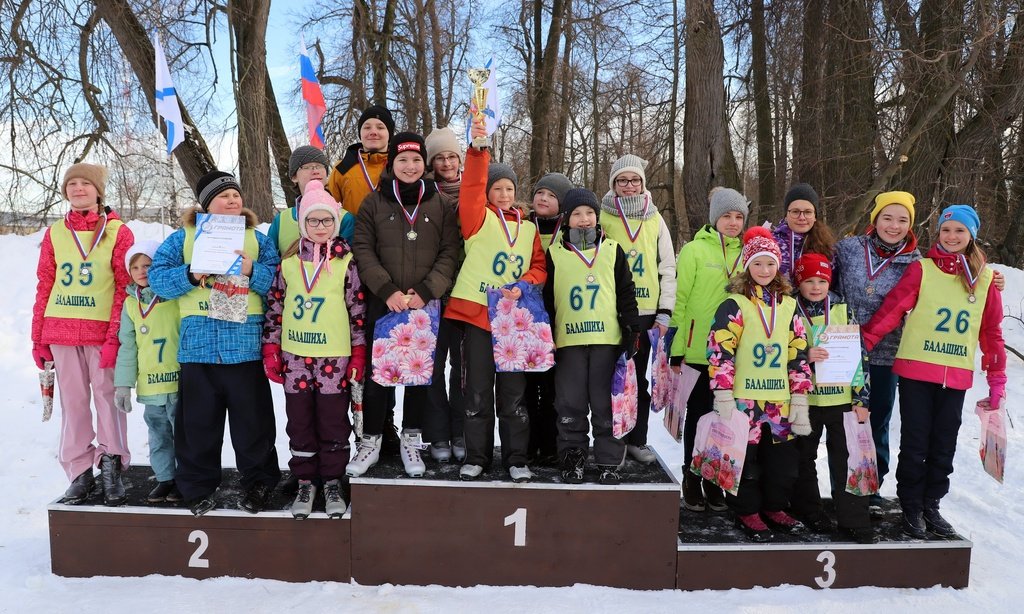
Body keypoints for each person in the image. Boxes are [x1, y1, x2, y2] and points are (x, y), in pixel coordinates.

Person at [861, 205, 1005, 539]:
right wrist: (863, 343)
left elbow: (992, 333)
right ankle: (911, 505)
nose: (951, 237)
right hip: (916, 372)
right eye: (946, 230)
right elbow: (893, 310)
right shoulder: (922, 269)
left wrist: (997, 379)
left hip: (955, 376)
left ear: (971, 236)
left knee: (943, 445)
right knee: (915, 444)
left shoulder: (985, 280)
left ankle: (931, 504)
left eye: (959, 231)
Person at [148, 170, 281, 517]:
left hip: (245, 347)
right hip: (199, 348)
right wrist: (190, 274)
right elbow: (157, 280)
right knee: (198, 426)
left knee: (253, 425)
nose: (232, 200)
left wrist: (253, 271)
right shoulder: (183, 239)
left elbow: (279, 283)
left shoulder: (258, 240)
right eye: (224, 196)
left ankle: (259, 482)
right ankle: (196, 486)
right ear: (206, 204)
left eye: (236, 195)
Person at [349, 132, 461, 478]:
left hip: (424, 304)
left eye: (415, 160)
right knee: (378, 376)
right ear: (392, 163)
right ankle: (371, 441)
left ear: (424, 164)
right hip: (385, 303)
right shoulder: (374, 202)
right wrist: (387, 290)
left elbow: (450, 251)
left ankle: (411, 439)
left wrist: (427, 290)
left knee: (417, 374)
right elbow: (363, 249)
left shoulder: (439, 203)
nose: (410, 166)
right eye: (402, 160)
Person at [446, 119, 547, 482]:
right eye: (497, 188)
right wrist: (478, 152)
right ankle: (477, 456)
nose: (504, 194)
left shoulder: (529, 228)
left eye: (509, 188)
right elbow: (471, 187)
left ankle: (516, 458)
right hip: (478, 317)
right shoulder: (477, 219)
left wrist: (524, 284)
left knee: (513, 394)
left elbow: (539, 267)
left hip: (512, 321)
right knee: (476, 392)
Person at [32, 163, 135, 506]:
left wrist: (116, 335)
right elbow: (45, 284)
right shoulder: (55, 233)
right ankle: (79, 472)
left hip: (102, 333)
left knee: (108, 398)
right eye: (72, 183)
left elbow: (124, 287)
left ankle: (111, 464)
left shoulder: (118, 232)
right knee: (73, 403)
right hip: (61, 331)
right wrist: (38, 338)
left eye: (85, 184)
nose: (78, 188)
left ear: (98, 191)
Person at [262, 180, 366, 519]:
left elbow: (357, 311)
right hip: (295, 358)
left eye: (326, 220)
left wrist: (359, 352)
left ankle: (333, 480)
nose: (320, 226)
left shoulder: (347, 263)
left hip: (334, 358)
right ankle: (306, 481)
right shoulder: (289, 263)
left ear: (335, 222)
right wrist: (271, 347)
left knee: (333, 421)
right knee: (300, 421)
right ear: (303, 223)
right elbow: (275, 307)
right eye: (313, 220)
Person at [706, 226, 813, 542]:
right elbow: (720, 349)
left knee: (782, 463)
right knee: (746, 460)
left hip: (779, 402)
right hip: (744, 400)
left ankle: (774, 507)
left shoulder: (789, 305)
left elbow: (798, 352)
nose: (764, 270)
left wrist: (800, 396)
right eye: (757, 264)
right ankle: (746, 510)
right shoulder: (735, 304)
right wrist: (723, 393)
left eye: (770, 264)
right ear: (747, 266)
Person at [543, 188, 640, 484]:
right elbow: (547, 300)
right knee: (569, 403)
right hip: (569, 343)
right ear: (566, 219)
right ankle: (572, 456)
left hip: (606, 343)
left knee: (604, 404)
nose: (584, 219)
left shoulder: (612, 249)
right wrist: (546, 335)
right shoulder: (555, 253)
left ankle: (608, 459)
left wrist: (631, 328)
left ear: (597, 217)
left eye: (589, 213)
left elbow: (626, 292)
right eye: (577, 214)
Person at [830, 191, 919, 506]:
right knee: (839, 423)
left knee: (875, 422)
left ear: (910, 225)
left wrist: (992, 280)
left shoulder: (916, 262)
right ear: (875, 219)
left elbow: (953, 278)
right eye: (887, 218)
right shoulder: (848, 248)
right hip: (840, 350)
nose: (894, 226)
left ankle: (871, 488)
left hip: (884, 354)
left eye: (902, 220)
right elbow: (817, 274)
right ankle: (841, 488)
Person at [669, 187, 747, 512]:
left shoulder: (747, 253)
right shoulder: (694, 250)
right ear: (715, 217)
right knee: (700, 417)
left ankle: (715, 480)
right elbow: (680, 299)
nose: (733, 222)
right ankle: (691, 477)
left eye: (739, 216)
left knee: (724, 420)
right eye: (727, 216)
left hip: (733, 354)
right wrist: (676, 346)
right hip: (698, 351)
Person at [787, 253, 875, 544]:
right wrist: (804, 355)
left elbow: (859, 355)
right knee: (803, 459)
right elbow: (779, 350)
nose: (816, 287)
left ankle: (854, 519)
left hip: (841, 401)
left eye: (822, 281)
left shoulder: (842, 309)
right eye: (809, 281)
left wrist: (861, 399)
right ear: (798, 282)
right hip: (804, 400)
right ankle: (809, 512)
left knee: (848, 460)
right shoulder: (789, 309)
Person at [600, 154, 676, 464]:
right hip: (611, 312)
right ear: (614, 184)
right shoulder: (603, 217)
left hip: (646, 314)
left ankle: (637, 439)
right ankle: (612, 444)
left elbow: (667, 267)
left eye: (635, 180)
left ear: (643, 184)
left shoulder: (655, 219)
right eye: (622, 180)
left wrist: (664, 311)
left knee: (638, 381)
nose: (629, 185)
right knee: (611, 381)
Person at [113, 239, 182, 503]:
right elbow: (128, 346)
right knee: (158, 434)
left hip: (178, 382)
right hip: (150, 386)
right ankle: (165, 478)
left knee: (184, 435)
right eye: (135, 267)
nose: (141, 271)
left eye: (148, 265)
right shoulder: (131, 305)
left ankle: (186, 478)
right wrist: (123, 385)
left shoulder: (175, 298)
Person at [422, 125, 467, 463]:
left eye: (452, 156)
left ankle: (461, 431)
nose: (447, 163)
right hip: (433, 292)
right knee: (432, 367)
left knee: (463, 368)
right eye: (440, 158)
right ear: (431, 163)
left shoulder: (476, 191)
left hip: (466, 292)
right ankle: (437, 434)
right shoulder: (424, 194)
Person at [526, 171, 574, 465]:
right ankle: (527, 444)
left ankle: (550, 444)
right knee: (527, 387)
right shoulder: (519, 224)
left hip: (558, 316)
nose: (543, 198)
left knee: (553, 387)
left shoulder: (570, 233)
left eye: (552, 196)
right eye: (540, 193)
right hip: (524, 319)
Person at [267, 145, 355, 255]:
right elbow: (269, 260)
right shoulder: (281, 220)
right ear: (294, 176)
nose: (315, 171)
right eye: (306, 167)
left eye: (320, 166)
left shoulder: (345, 219)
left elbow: (350, 262)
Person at [327, 104, 394, 215]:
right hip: (354, 227)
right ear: (360, 133)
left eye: (380, 127)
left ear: (389, 134)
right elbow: (329, 211)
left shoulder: (400, 166)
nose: (373, 132)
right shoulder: (342, 168)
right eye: (367, 127)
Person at [772, 183, 836, 280]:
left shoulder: (827, 247)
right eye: (795, 212)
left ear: (815, 216)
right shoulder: (771, 243)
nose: (802, 217)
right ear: (786, 216)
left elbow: (833, 283)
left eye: (808, 212)